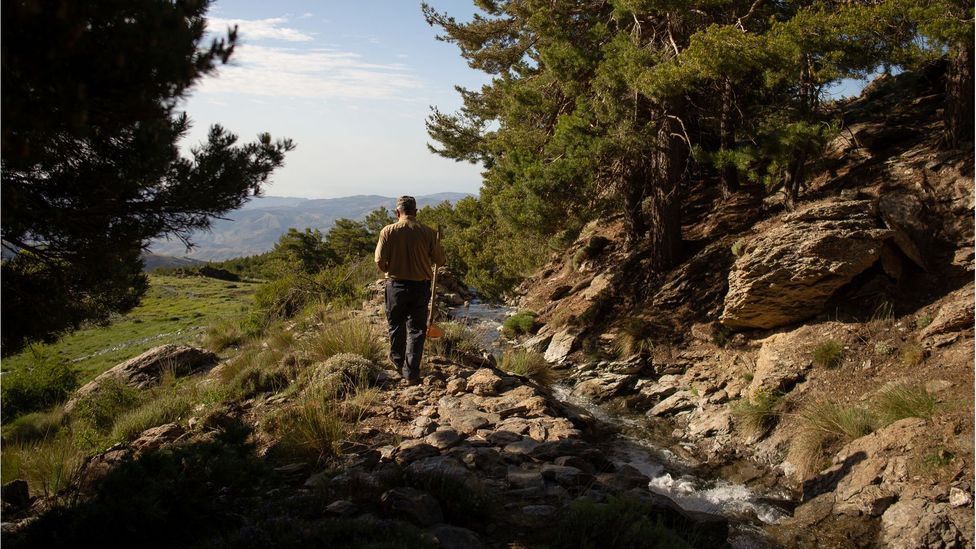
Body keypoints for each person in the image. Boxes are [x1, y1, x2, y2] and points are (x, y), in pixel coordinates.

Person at [374, 196, 446, 385]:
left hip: (395, 286)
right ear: (415, 212)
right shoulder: (428, 232)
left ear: (398, 212)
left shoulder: (388, 231)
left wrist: (389, 269)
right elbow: (440, 261)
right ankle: (412, 372)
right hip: (420, 286)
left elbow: (379, 261)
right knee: (416, 329)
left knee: (396, 324)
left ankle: (398, 363)